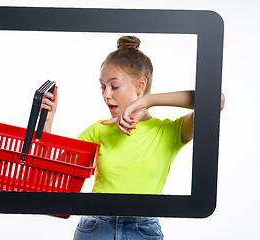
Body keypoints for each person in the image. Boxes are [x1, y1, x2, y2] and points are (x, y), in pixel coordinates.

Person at [40, 36, 225, 240]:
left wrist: (149, 100)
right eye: (102, 87)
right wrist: (47, 123)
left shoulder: (168, 131)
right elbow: (51, 178)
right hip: (95, 228)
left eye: (114, 86)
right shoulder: (97, 131)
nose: (106, 95)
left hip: (143, 231)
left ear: (140, 85)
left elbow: (216, 100)